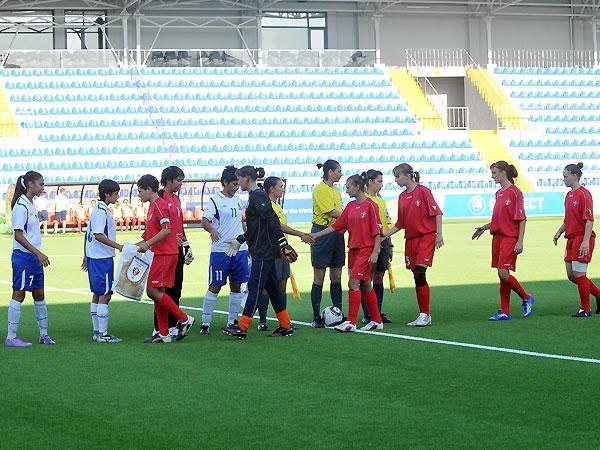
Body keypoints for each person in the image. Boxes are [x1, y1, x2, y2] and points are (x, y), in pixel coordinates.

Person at [222, 166, 298, 339]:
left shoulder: (258, 196)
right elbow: (257, 227)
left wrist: (283, 244)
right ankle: (285, 325)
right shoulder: (256, 196)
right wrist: (240, 239)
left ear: (247, 178)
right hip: (263, 249)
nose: (238, 183)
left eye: (239, 179)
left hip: (263, 251)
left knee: (255, 288)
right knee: (273, 289)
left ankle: (242, 327)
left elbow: (272, 220)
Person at [311, 174, 383, 332]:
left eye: (348, 187)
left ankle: (351, 322)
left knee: (353, 283)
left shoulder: (371, 206)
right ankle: (377, 320)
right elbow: (336, 226)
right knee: (365, 285)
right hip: (354, 251)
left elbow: (377, 231)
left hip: (366, 250)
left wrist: (375, 252)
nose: (346, 190)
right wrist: (316, 235)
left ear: (357, 187)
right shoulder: (350, 206)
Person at [135, 174, 195, 343]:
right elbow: (150, 235)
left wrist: (148, 244)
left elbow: (167, 229)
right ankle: (163, 333)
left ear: (149, 189)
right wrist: (130, 248)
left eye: (140, 191)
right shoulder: (153, 206)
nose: (139, 195)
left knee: (152, 291)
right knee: (158, 293)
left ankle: (184, 319)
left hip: (164, 254)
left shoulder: (159, 205)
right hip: (161, 253)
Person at [472, 161, 535, 321]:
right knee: (502, 276)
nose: (491, 176)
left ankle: (526, 297)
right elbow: (499, 219)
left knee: (503, 273)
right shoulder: (498, 193)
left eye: (494, 172)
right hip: (497, 237)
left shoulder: (515, 193)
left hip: (509, 238)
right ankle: (505, 312)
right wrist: (484, 227)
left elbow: (522, 219)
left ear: (503, 173)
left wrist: (520, 241)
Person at [383, 164, 443, 327]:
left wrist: (439, 234)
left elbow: (437, 212)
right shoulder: (402, 196)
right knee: (416, 275)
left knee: (420, 271)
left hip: (426, 237)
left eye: (397, 176)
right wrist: (383, 236)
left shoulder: (423, 191)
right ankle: (423, 314)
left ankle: (425, 315)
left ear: (408, 175)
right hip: (410, 239)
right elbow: (400, 223)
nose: (395, 180)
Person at [256, 177, 314, 331]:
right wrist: (300, 234)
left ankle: (284, 321)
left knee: (282, 285)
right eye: (280, 186)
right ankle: (262, 321)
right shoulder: (268, 206)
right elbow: (279, 226)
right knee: (266, 286)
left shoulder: (277, 206)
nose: (282, 189)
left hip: (282, 252)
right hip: (271, 251)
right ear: (271, 189)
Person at [6, 171, 55, 347]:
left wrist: (37, 254)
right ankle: (11, 337)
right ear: (30, 185)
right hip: (24, 257)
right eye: (41, 184)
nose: (43, 187)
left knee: (39, 294)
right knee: (19, 294)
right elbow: (18, 235)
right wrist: (38, 253)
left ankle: (44, 334)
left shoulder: (30, 203)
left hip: (33, 257)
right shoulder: (21, 206)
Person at [199, 166, 248, 335]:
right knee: (215, 285)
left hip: (240, 249)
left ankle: (232, 321)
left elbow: (242, 222)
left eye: (238, 183)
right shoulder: (215, 200)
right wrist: (212, 230)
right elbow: (205, 221)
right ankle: (206, 322)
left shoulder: (238, 200)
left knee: (237, 285)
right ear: (225, 182)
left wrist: (246, 240)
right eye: (234, 183)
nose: (237, 186)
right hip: (221, 250)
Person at [553, 163, 600, 317]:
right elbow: (568, 219)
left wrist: (585, 241)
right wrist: (559, 231)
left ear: (574, 176)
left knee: (579, 275)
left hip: (581, 237)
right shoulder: (569, 195)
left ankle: (585, 309)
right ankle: (599, 295)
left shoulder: (584, 194)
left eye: (565, 176)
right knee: (572, 275)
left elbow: (589, 220)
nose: (563, 179)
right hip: (571, 238)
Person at [81, 179, 124, 343]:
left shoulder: (98, 209)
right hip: (102, 258)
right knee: (105, 294)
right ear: (107, 194)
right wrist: (118, 246)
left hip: (95, 257)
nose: (117, 197)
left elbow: (88, 233)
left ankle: (97, 332)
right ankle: (103, 334)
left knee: (98, 293)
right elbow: (98, 235)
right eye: (115, 194)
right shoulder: (101, 211)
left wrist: (86, 255)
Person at [310, 159, 345, 328]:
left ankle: (339, 313)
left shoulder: (336, 190)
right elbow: (331, 212)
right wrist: (352, 216)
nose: (341, 174)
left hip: (337, 233)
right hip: (322, 233)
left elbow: (340, 211)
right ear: (330, 172)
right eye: (339, 171)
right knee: (319, 277)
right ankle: (316, 317)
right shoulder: (320, 189)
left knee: (337, 275)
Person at [361, 169, 393, 324]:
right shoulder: (364, 200)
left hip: (384, 241)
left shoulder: (381, 200)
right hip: (370, 243)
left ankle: (377, 312)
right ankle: (368, 314)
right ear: (370, 182)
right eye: (379, 181)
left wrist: (390, 244)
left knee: (379, 277)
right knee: (366, 278)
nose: (381, 184)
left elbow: (387, 223)